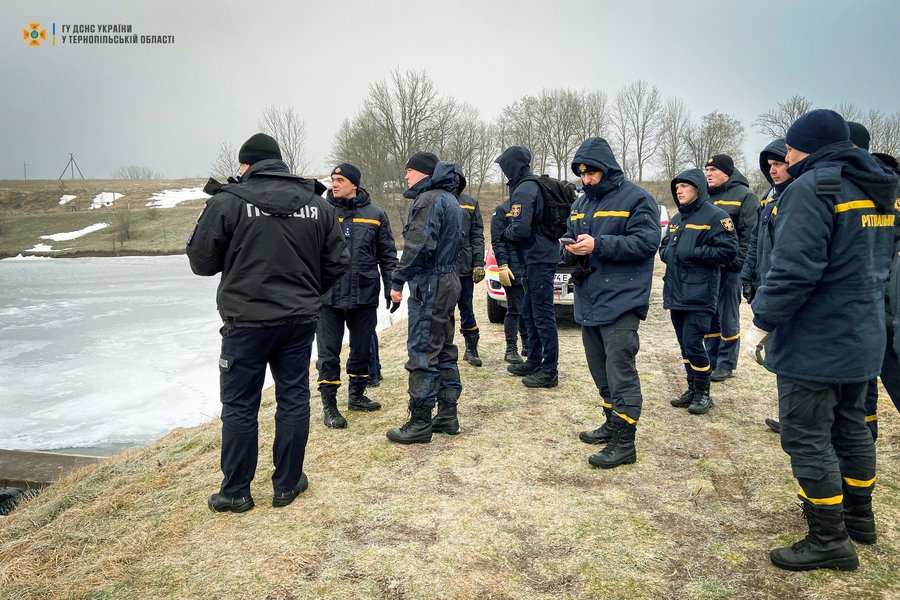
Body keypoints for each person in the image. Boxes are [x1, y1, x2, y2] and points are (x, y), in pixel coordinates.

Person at [750, 109, 898, 571]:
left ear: (809, 148)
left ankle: (828, 537)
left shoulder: (812, 188)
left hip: (816, 339)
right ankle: (859, 519)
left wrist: (763, 320)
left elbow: (795, 269)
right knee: (851, 428)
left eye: (791, 148)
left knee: (807, 436)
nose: (786, 156)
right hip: (863, 333)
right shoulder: (879, 191)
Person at [187, 133, 349, 513]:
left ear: (246, 165)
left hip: (246, 322)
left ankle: (236, 491)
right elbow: (338, 262)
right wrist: (307, 290)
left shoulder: (229, 202)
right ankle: (287, 484)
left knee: (241, 404)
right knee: (293, 397)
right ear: (279, 164)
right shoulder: (317, 204)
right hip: (298, 320)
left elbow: (202, 262)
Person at [563, 137, 660, 469]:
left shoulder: (637, 198)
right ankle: (610, 421)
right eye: (582, 174)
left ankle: (624, 442)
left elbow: (647, 243)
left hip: (622, 299)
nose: (587, 179)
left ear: (607, 169)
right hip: (589, 297)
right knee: (599, 368)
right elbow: (572, 237)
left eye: (592, 173)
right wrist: (569, 249)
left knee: (620, 371)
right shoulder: (579, 204)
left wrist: (599, 245)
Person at [386, 152, 464, 444]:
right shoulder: (451, 199)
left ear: (423, 173)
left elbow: (417, 244)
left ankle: (419, 422)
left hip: (431, 282)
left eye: (409, 171)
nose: (405, 176)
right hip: (448, 279)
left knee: (422, 350)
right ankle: (447, 414)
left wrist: (397, 278)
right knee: (443, 347)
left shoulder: (428, 200)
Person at [315, 163, 398, 429]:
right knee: (328, 353)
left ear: (354, 184)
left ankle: (357, 396)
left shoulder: (376, 215)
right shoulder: (322, 213)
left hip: (364, 293)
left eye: (339, 180)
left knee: (362, 349)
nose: (334, 184)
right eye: (332, 179)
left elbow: (387, 255)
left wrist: (392, 287)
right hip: (328, 296)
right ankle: (330, 405)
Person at [660, 168, 738, 416]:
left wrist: (693, 253)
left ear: (698, 188)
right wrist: (668, 253)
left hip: (700, 294)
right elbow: (664, 248)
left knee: (694, 343)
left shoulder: (716, 217)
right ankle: (692, 389)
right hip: (675, 292)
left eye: (684, 186)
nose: (679, 190)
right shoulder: (676, 219)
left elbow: (728, 251)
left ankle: (704, 393)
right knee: (685, 344)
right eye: (677, 187)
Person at [847, 122, 900, 440]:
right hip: (868, 297)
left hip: (885, 298)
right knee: (863, 370)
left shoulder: (880, 186)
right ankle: (865, 427)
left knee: (889, 367)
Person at [740, 139, 794, 434]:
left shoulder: (798, 199)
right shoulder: (769, 198)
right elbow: (755, 244)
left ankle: (793, 418)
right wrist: (747, 277)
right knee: (778, 355)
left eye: (779, 164)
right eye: (770, 166)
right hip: (765, 287)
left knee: (788, 356)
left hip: (785, 291)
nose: (773, 171)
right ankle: (787, 416)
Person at [496, 146, 559, 388]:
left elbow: (520, 229)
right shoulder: (531, 185)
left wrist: (504, 233)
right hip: (538, 256)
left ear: (512, 166)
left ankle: (549, 370)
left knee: (542, 314)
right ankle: (534, 359)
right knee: (531, 312)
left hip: (539, 258)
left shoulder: (524, 189)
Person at [703, 154, 758, 382]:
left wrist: (737, 264)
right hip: (707, 268)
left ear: (727, 172)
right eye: (706, 169)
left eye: (714, 169)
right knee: (709, 317)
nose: (708, 173)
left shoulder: (745, 196)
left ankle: (726, 363)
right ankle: (711, 359)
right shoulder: (704, 196)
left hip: (730, 270)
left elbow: (750, 235)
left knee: (728, 317)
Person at [452, 169, 486, 367]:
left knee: (467, 308)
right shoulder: (435, 200)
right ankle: (444, 350)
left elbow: (477, 235)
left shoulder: (470, 203)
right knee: (443, 312)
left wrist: (479, 263)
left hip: (464, 266)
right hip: (442, 268)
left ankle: (471, 349)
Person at [490, 197, 528, 364]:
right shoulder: (502, 210)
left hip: (530, 267)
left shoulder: (530, 207)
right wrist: (503, 265)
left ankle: (528, 344)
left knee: (529, 310)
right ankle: (511, 348)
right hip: (512, 268)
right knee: (515, 309)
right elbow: (498, 241)